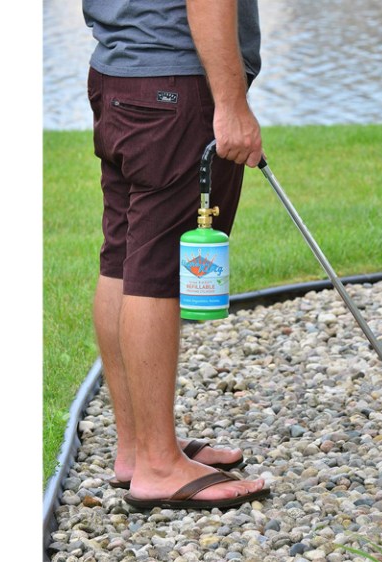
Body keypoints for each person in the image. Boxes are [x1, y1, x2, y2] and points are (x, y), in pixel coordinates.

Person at [83, 0, 269, 509]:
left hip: (119, 76)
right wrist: (230, 105)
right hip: (175, 88)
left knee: (122, 260)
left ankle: (137, 448)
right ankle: (160, 466)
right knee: (158, 270)